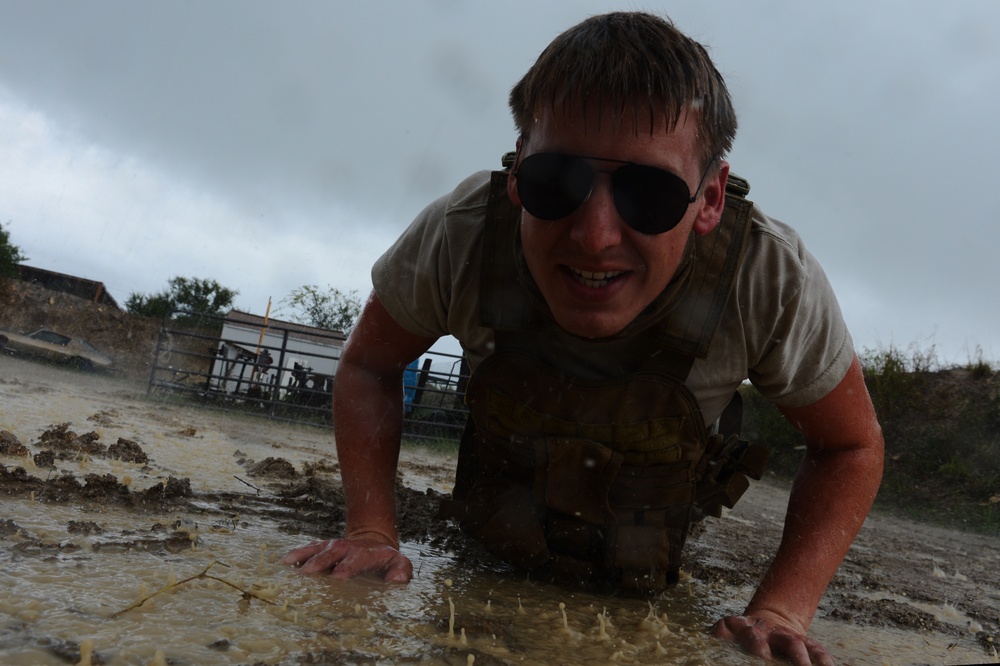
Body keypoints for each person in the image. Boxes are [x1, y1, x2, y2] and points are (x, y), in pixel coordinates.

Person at [282, 11, 883, 665]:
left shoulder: (767, 278)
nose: (594, 235)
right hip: (489, 543)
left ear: (709, 198)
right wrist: (371, 529)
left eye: (648, 194)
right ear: (515, 175)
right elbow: (370, 365)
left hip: (647, 567)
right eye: (555, 183)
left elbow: (850, 444)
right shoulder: (461, 235)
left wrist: (781, 608)